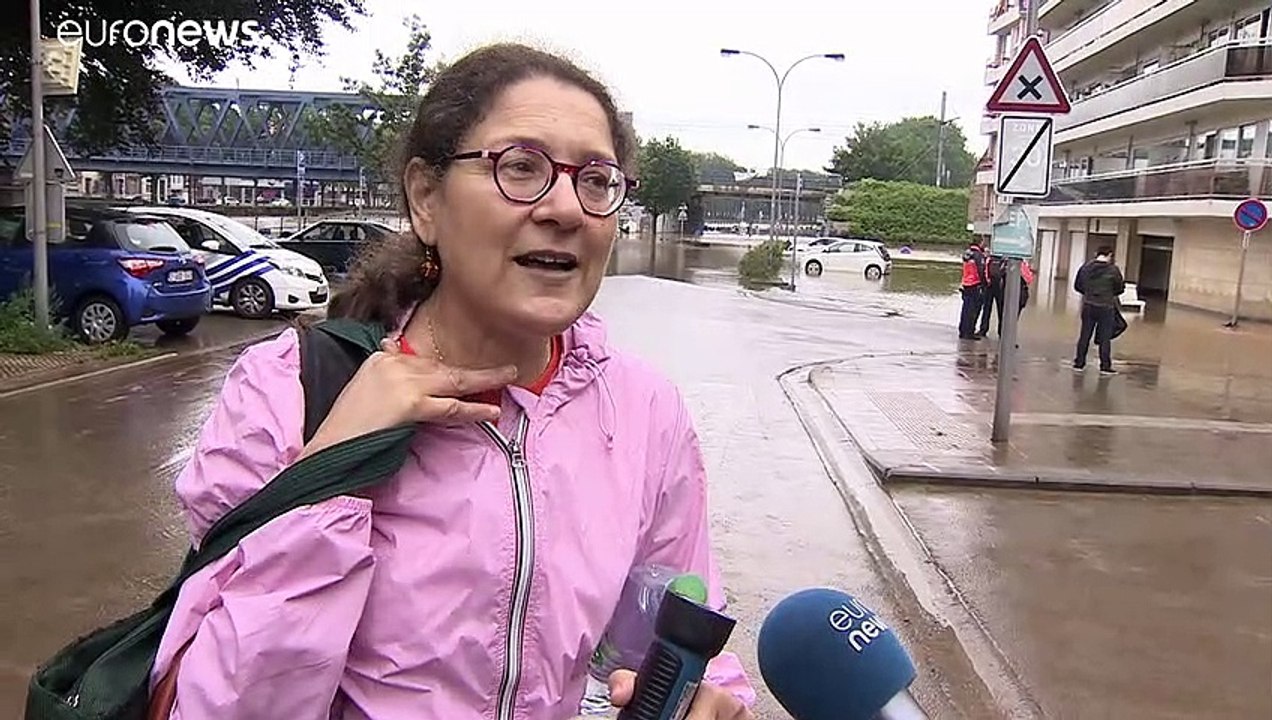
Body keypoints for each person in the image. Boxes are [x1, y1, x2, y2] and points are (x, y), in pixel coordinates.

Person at [149, 43, 756, 719]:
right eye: (521, 168)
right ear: (426, 198)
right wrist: (331, 472)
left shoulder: (645, 411)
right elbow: (225, 705)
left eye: (595, 180)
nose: (566, 208)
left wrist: (706, 697)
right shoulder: (289, 392)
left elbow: (667, 633)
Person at [1072, 246, 1126, 375]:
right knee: (1105, 337)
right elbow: (1119, 288)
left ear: (1096, 254)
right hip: (1106, 307)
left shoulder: (1085, 268)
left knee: (1085, 334)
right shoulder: (1113, 270)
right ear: (1109, 255)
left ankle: (1079, 363)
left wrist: (1089, 293)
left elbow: (1078, 285)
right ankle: (1105, 366)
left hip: (1088, 305)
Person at [959, 239, 989, 340]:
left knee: (965, 309)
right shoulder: (978, 255)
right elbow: (981, 271)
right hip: (975, 285)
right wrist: (985, 284)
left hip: (966, 284)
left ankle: (962, 331)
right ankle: (969, 332)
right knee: (973, 310)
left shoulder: (967, 253)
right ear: (980, 243)